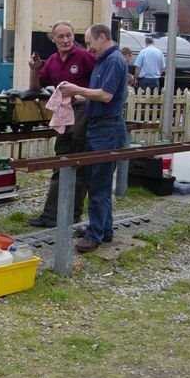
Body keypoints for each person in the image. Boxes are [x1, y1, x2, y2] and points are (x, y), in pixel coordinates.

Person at [60, 23, 128, 253]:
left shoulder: (114, 60)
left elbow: (106, 95)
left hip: (107, 130)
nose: (88, 49)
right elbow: (98, 95)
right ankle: (103, 228)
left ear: (102, 37)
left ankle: (95, 235)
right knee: (97, 182)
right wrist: (80, 100)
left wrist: (77, 90)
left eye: (90, 43)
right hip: (98, 127)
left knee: (99, 184)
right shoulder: (102, 60)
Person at [27, 20, 96, 227]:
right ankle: (50, 215)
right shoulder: (53, 61)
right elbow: (35, 87)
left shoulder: (84, 57)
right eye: (61, 36)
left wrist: (85, 97)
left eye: (69, 35)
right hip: (63, 114)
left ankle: (72, 214)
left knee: (78, 164)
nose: (66, 40)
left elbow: (99, 85)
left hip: (83, 112)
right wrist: (34, 69)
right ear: (53, 38)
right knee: (61, 162)